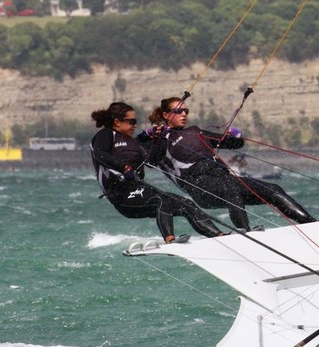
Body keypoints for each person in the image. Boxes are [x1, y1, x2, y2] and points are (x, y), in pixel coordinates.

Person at [141, 96, 315, 231]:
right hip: (199, 187)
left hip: (224, 177)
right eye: (179, 111)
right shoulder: (160, 140)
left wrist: (236, 136)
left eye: (186, 110)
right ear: (165, 115)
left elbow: (232, 144)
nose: (184, 114)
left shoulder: (196, 131)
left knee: (274, 190)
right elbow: (151, 162)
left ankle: (311, 224)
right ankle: (245, 232)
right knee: (231, 191)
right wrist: (157, 137)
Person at [90, 101, 227, 243]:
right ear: (117, 122)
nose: (135, 125)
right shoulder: (106, 135)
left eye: (136, 122)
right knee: (162, 200)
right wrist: (124, 167)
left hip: (140, 190)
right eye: (132, 121)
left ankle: (218, 236)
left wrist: (157, 140)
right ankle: (169, 240)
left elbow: (152, 161)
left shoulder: (133, 143)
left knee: (187, 204)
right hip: (121, 195)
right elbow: (100, 154)